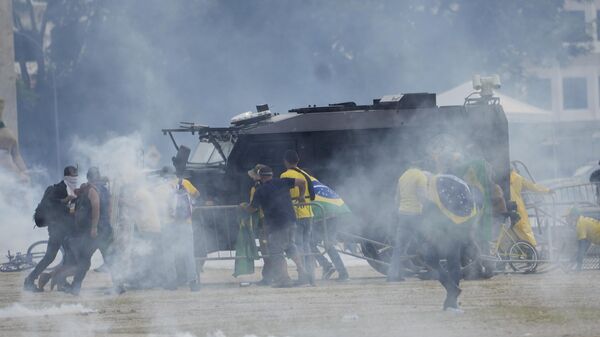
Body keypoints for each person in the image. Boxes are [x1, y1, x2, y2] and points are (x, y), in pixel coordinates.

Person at [241, 166, 309, 288]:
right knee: (290, 247)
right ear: (271, 175)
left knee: (277, 252)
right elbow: (302, 182)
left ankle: (284, 280)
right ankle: (303, 274)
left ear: (261, 177)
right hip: (291, 220)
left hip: (277, 224)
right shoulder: (283, 182)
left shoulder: (260, 190)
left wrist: (243, 206)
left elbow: (252, 209)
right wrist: (301, 196)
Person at [419, 174, 477, 312]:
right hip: (457, 227)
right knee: (453, 264)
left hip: (443, 232)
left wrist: (426, 236)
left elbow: (428, 219)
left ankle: (451, 294)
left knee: (431, 260)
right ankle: (451, 300)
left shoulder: (433, 194)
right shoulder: (451, 188)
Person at [24, 166, 78, 292]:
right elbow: (51, 204)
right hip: (56, 229)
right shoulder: (60, 188)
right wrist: (65, 201)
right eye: (73, 175)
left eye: (76, 175)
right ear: (67, 175)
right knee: (51, 257)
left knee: (68, 256)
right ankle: (30, 280)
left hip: (64, 228)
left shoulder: (71, 189)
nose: (75, 178)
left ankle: (61, 282)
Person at [387, 165, 429, 282]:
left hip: (403, 214)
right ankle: (430, 270)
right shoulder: (421, 176)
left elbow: (397, 198)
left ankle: (393, 275)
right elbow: (422, 196)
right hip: (416, 214)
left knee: (399, 247)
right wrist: (429, 210)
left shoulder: (403, 176)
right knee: (425, 242)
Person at [161, 171, 201, 292]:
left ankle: (172, 283)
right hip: (186, 223)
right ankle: (193, 283)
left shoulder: (163, 186)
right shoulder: (185, 182)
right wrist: (191, 205)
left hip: (169, 224)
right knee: (189, 252)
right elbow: (197, 194)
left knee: (168, 253)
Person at [280, 150, 316, 285]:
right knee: (307, 245)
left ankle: (303, 277)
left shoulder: (285, 175)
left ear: (285, 161)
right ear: (298, 160)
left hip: (295, 214)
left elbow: (283, 194)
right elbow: (312, 195)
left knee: (297, 246)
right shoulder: (306, 175)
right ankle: (311, 276)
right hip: (309, 213)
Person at [66, 168, 103, 295]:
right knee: (86, 259)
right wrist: (94, 227)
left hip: (91, 230)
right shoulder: (91, 190)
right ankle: (75, 286)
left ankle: (75, 286)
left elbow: (72, 208)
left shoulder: (84, 189)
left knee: (86, 259)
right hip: (96, 230)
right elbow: (96, 209)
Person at [246, 164, 276, 285]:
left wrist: (244, 207)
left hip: (265, 221)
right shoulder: (275, 185)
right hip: (276, 220)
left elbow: (253, 207)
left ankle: (268, 277)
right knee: (274, 249)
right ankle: (272, 275)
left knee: (266, 250)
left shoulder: (256, 189)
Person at [510, 168, 553, 247]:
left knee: (511, 229)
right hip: (518, 205)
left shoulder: (502, 178)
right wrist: (547, 190)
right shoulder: (518, 177)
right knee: (525, 228)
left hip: (508, 205)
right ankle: (531, 247)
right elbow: (533, 187)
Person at [0, 98, 28, 181]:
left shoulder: (9, 136)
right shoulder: (8, 135)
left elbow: (16, 156)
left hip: (9, 177)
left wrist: (24, 172)